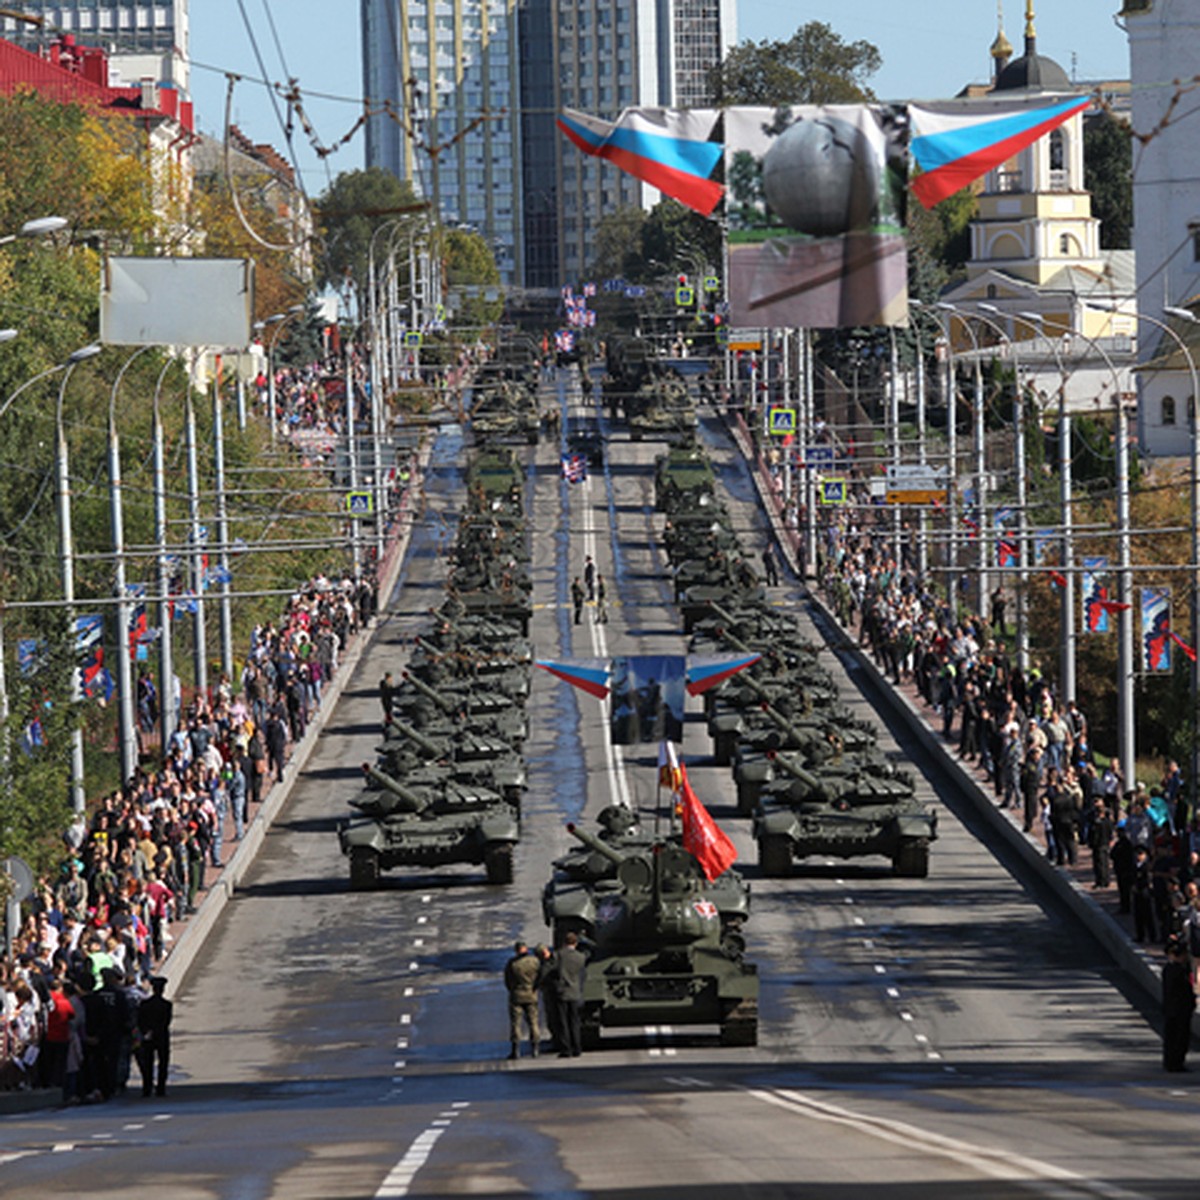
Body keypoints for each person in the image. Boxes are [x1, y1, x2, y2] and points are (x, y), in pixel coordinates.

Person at [1162, 938, 1196, 1072]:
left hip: (1173, 1008)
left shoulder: (1170, 969)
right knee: (1179, 1037)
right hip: (1179, 1009)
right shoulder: (1177, 971)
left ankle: (1171, 1061)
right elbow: (1183, 990)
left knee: (1172, 1036)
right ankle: (1175, 1062)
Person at [137, 975, 173, 1097]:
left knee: (148, 1062)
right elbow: (166, 1022)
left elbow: (140, 1020)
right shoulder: (166, 1005)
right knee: (163, 1062)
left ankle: (147, 1087)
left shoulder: (144, 1004)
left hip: (148, 1036)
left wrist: (146, 1031)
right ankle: (161, 1088)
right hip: (161, 1036)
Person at [503, 939, 540, 1059]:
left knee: (515, 1024)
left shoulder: (512, 963)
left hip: (516, 995)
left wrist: (513, 989)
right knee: (533, 1022)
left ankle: (515, 1049)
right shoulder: (534, 961)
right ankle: (535, 1048)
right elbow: (540, 975)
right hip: (531, 993)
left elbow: (507, 980)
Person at [555, 931, 588, 1058]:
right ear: (576, 943)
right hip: (575, 991)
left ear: (564, 942)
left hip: (562, 991)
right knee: (574, 1021)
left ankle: (566, 1049)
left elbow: (553, 971)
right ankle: (577, 1047)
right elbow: (583, 974)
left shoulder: (559, 955)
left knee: (563, 1022)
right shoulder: (581, 957)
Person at [534, 943, 563, 1053]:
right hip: (553, 992)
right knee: (555, 1018)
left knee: (554, 1018)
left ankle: (558, 1041)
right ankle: (558, 1039)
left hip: (553, 993)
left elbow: (543, 974)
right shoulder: (556, 958)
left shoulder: (550, 962)